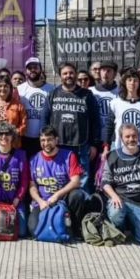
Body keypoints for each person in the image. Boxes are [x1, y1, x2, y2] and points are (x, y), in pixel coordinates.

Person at [100, 124, 140, 246]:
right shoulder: (112, 156)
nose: (131, 139)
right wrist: (113, 196)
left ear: (139, 137)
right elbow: (105, 182)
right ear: (121, 138)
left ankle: (134, 228)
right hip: (121, 201)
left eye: (134, 136)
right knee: (116, 212)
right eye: (127, 136)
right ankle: (120, 228)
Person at [28, 126, 92, 237]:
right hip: (43, 202)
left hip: (63, 199)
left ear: (56, 140)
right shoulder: (34, 159)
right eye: (43, 140)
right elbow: (32, 187)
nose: (46, 143)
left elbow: (76, 181)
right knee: (33, 230)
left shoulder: (69, 156)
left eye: (49, 139)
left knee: (77, 195)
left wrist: (57, 195)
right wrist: (40, 201)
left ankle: (75, 228)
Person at [48, 62, 101, 193]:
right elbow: (45, 119)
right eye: (65, 73)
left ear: (76, 74)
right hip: (59, 145)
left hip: (81, 145)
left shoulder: (87, 95)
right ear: (60, 76)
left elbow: (96, 120)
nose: (68, 76)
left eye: (71, 73)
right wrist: (47, 141)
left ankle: (83, 208)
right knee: (61, 177)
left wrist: (94, 144)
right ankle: (63, 207)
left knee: (83, 179)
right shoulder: (53, 94)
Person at [104, 68, 140, 151]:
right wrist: (106, 145)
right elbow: (109, 125)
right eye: (129, 80)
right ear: (125, 83)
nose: (132, 83)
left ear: (139, 83)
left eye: (135, 80)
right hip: (118, 146)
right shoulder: (115, 103)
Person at [17, 57, 54, 159]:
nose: (33, 70)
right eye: (30, 68)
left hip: (44, 138)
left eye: (35, 67)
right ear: (26, 71)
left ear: (40, 69)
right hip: (24, 137)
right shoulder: (20, 89)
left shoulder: (51, 89)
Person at [89, 60, 119, 149]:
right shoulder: (90, 91)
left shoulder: (121, 92)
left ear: (114, 74)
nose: (105, 73)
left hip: (114, 138)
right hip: (94, 138)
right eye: (103, 70)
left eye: (109, 71)